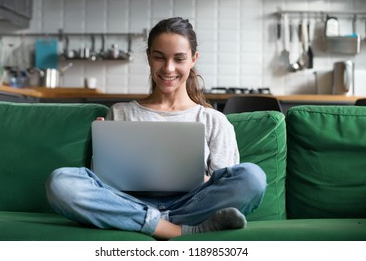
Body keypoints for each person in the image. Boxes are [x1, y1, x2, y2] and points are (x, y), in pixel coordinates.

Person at [46, 17, 266, 240]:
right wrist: (101, 152)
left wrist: (201, 178)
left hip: (191, 204)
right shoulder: (121, 112)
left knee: (253, 177)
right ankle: (174, 229)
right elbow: (104, 183)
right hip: (129, 202)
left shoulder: (214, 120)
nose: (168, 68)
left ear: (193, 60)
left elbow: (224, 183)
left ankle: (143, 223)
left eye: (179, 59)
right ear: (149, 57)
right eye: (159, 57)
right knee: (60, 182)